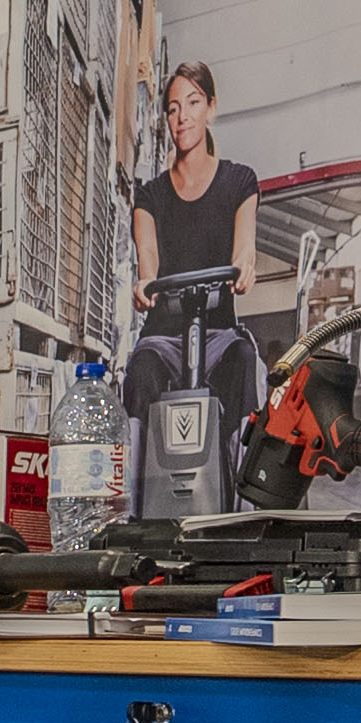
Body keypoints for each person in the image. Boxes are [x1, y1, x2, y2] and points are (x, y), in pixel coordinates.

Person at [123, 61, 265, 499]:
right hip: (164, 337)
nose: (182, 116)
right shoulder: (150, 195)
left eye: (193, 103)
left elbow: (244, 246)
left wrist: (243, 266)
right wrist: (146, 282)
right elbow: (148, 256)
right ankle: (135, 502)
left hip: (217, 334)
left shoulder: (239, 181)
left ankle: (239, 499)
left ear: (211, 108)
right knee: (141, 371)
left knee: (243, 359)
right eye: (172, 108)